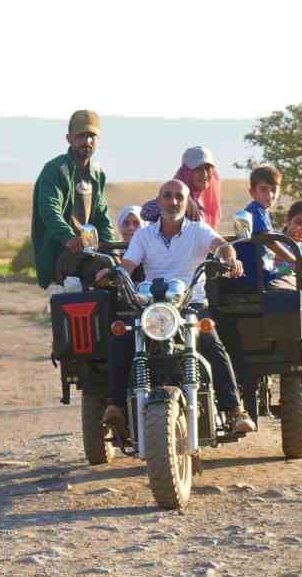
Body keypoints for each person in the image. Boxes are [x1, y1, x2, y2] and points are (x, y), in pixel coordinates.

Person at [103, 179, 249, 440]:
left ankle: (236, 409)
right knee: (120, 342)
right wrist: (114, 272)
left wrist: (229, 257)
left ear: (187, 202)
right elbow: (127, 264)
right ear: (159, 202)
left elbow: (220, 245)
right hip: (151, 308)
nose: (173, 202)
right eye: (167, 196)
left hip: (190, 306)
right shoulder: (144, 235)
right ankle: (116, 406)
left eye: (179, 197)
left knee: (211, 343)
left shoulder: (198, 230)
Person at [30, 110, 116, 289]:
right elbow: (50, 210)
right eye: (81, 135)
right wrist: (68, 237)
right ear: (69, 138)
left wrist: (112, 252)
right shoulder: (55, 170)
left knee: (116, 279)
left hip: (88, 254)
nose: (87, 141)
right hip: (60, 256)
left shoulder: (97, 173)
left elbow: (102, 217)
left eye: (92, 136)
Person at [141, 145, 222, 229]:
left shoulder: (209, 201)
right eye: (198, 169)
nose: (204, 174)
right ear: (186, 173)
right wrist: (183, 201)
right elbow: (146, 213)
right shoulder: (174, 199)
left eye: (208, 168)